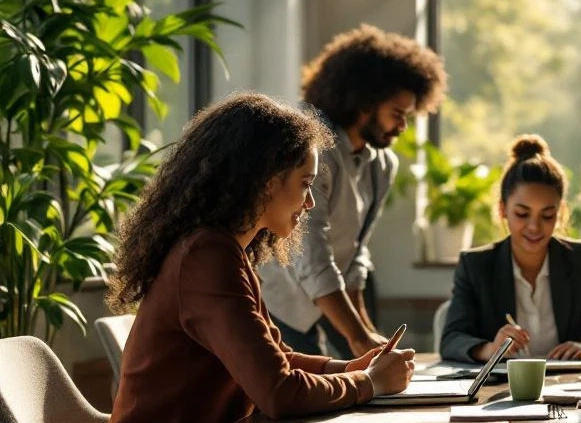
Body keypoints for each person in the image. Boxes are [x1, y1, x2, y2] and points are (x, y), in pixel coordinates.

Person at [106, 93, 416, 423]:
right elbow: (278, 392)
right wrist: (368, 382)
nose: (309, 203)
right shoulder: (206, 258)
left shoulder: (223, 251)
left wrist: (351, 368)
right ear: (264, 182)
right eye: (305, 184)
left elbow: (276, 359)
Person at [258, 24, 447, 358]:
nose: (403, 127)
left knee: (365, 367)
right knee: (303, 387)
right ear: (364, 104)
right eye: (397, 115)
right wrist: (359, 338)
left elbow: (356, 251)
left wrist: (365, 331)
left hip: (332, 290)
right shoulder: (315, 153)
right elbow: (311, 256)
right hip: (280, 299)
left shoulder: (381, 165)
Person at [441, 135, 581, 363]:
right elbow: (451, 340)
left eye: (547, 215)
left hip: (566, 389)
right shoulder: (476, 265)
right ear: (503, 209)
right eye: (522, 214)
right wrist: (491, 350)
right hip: (501, 389)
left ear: (561, 213)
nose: (534, 227)